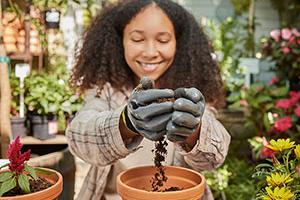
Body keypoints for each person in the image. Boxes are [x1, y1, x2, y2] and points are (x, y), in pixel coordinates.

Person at [66, 0, 230, 199]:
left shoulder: (193, 90)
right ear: (120, 42)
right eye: (137, 39)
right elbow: (79, 138)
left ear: (179, 43)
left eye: (162, 40)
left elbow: (213, 159)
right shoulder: (106, 90)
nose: (150, 52)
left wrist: (194, 130)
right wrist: (126, 122)